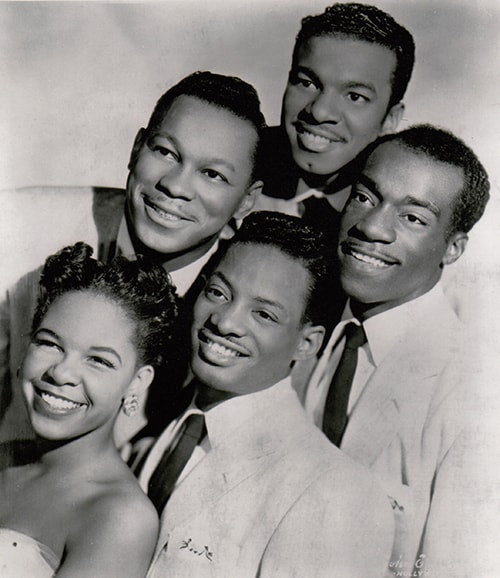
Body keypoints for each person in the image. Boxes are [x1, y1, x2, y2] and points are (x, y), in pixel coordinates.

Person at [0, 71, 265, 444]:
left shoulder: (241, 307)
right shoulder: (17, 224)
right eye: (165, 152)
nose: (175, 186)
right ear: (136, 148)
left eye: (212, 174)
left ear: (247, 200)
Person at [136, 212, 394, 577]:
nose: (224, 322)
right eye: (218, 293)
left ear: (307, 343)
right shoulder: (159, 425)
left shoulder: (335, 493)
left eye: (264, 314)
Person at [302, 125, 492, 576]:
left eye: (413, 218)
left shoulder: (473, 395)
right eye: (365, 197)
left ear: (454, 248)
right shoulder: (305, 324)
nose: (370, 227)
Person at [0, 242, 178, 576]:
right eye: (50, 343)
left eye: (98, 360)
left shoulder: (120, 517)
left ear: (137, 382)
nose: (61, 373)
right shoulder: (5, 457)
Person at [255, 2, 415, 239]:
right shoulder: (238, 163)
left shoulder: (393, 222)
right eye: (307, 83)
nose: (319, 112)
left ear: (390, 119)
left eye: (355, 97)